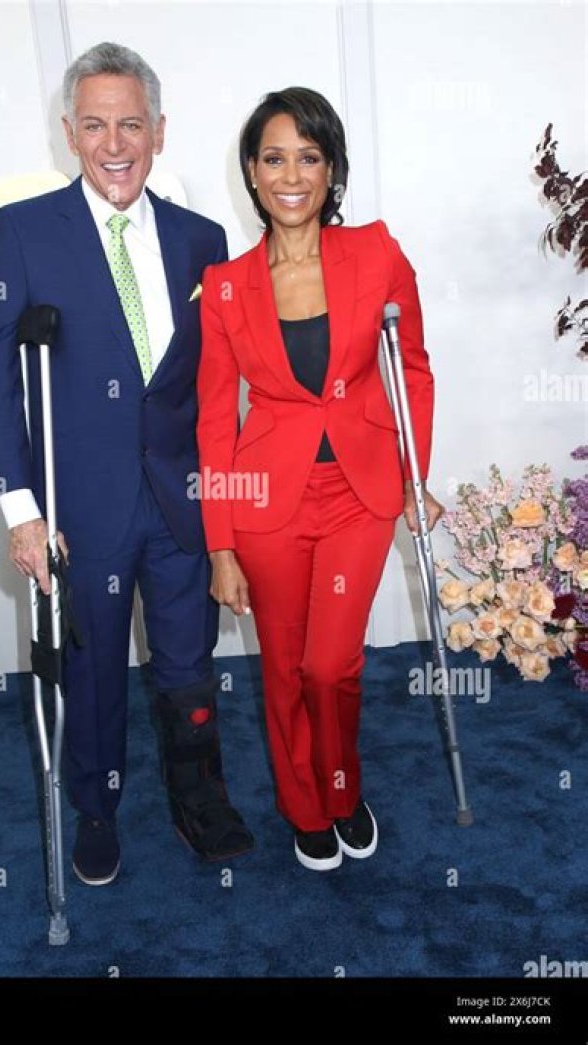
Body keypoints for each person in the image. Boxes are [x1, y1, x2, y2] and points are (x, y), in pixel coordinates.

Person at [0, 42, 253, 886]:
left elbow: (221, 381)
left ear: (159, 131)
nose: (114, 144)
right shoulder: (23, 232)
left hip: (180, 499)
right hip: (78, 507)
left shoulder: (202, 239)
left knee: (189, 661)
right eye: (95, 125)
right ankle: (97, 806)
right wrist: (21, 509)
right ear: (69, 133)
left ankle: (199, 797)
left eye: (131, 124)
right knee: (89, 672)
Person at [196, 87, 443, 871]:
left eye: (308, 157)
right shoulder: (225, 286)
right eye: (274, 158)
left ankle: (342, 788)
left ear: (331, 168)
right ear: (252, 171)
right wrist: (220, 546)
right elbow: (214, 421)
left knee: (329, 664)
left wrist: (413, 474)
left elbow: (412, 370)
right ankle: (305, 807)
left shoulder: (375, 251)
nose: (291, 175)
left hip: (357, 494)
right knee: (282, 665)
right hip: (266, 502)